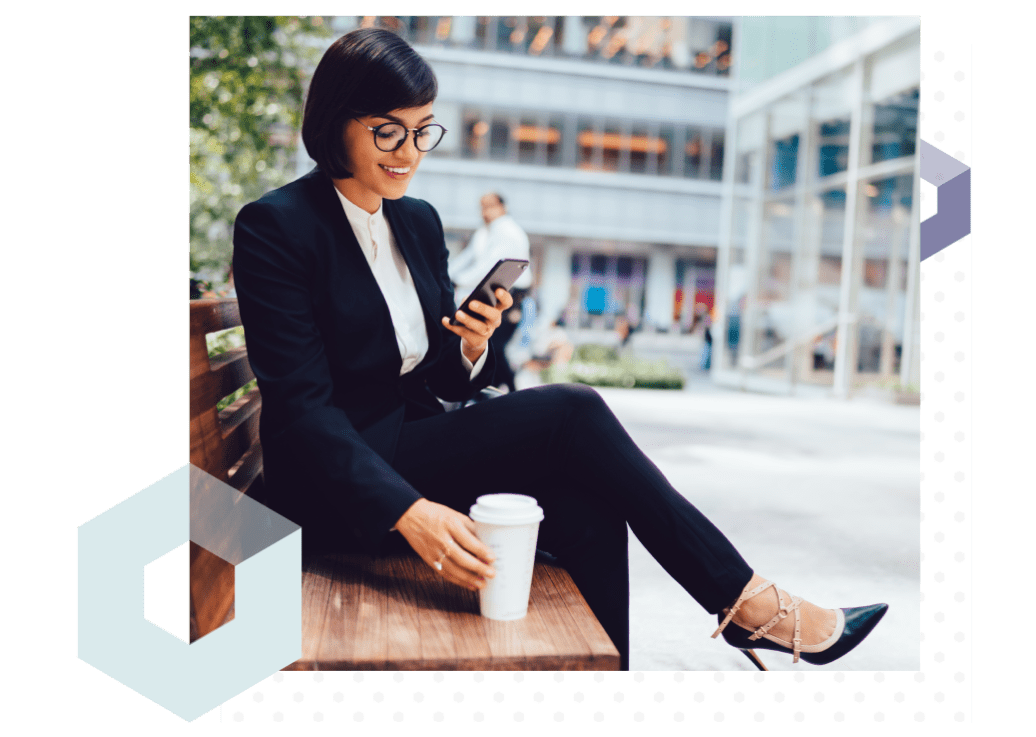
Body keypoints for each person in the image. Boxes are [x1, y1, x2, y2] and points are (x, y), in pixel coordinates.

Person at [232, 29, 887, 671]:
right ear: (335, 121)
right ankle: (749, 604)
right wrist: (409, 510)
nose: (410, 151)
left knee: (588, 503)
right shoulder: (278, 227)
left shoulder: (416, 220)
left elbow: (433, 380)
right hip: (335, 484)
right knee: (572, 411)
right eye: (388, 131)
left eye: (423, 129)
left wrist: (468, 347)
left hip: (410, 442)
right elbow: (303, 408)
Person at [448, 192, 533, 391]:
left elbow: (488, 267)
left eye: (490, 206)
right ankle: (496, 390)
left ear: (503, 207)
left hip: (511, 296)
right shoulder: (484, 232)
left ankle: (506, 390)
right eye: (482, 206)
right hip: (491, 293)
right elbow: (466, 259)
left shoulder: (509, 231)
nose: (485, 211)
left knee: (494, 345)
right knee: (489, 344)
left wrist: (457, 280)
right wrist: (445, 276)